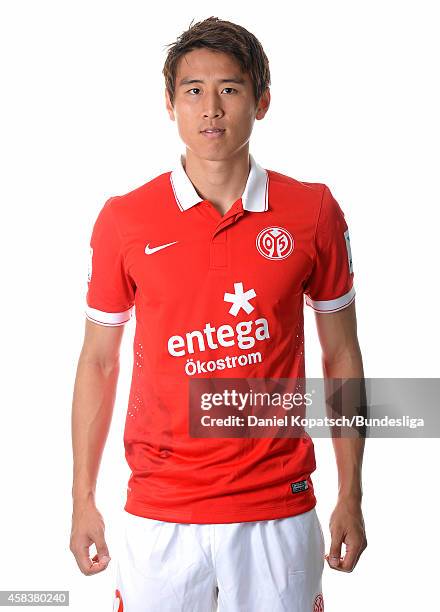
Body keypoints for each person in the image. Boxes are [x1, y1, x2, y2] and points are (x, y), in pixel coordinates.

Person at [70, 16, 367, 612]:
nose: (211, 109)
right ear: (170, 104)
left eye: (230, 89)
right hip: (160, 512)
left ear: (261, 102)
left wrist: (351, 496)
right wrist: (82, 498)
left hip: (277, 510)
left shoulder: (311, 211)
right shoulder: (125, 220)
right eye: (193, 91)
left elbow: (341, 355)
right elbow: (100, 361)